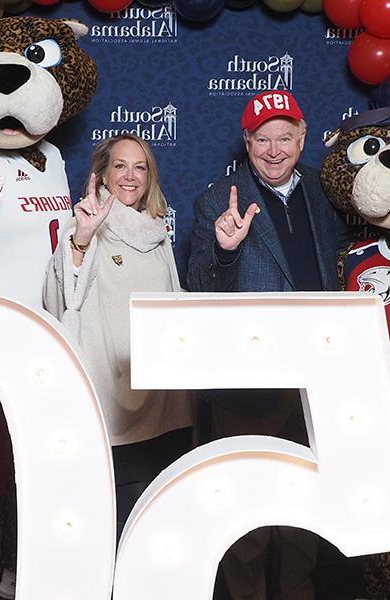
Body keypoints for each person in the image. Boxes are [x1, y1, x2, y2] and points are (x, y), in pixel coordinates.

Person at [186, 90, 353, 600]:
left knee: (305, 503)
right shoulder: (219, 200)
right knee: (248, 506)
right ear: (247, 142)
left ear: (303, 138)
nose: (275, 149)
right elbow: (198, 286)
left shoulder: (328, 195)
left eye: (285, 137)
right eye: (264, 139)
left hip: (316, 379)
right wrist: (224, 249)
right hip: (248, 383)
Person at [44, 133, 194, 534]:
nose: (130, 176)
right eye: (120, 166)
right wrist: (82, 239)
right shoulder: (81, 228)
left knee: (161, 525)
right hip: (112, 401)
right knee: (114, 524)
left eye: (140, 167)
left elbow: (175, 301)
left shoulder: (156, 232)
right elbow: (60, 298)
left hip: (164, 401)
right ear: (103, 175)